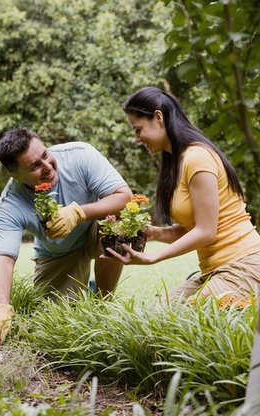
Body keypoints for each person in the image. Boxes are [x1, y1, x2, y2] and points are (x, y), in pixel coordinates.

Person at [104, 86, 260, 303]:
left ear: (158, 117)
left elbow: (206, 231)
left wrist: (154, 257)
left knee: (184, 320)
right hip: (215, 271)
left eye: (138, 129)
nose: (136, 139)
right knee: (153, 317)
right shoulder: (176, 163)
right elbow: (190, 228)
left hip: (244, 264)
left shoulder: (198, 158)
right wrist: (155, 233)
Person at [0, 126, 132, 344]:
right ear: (15, 175)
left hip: (94, 228)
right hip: (58, 253)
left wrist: (78, 213)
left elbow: (124, 197)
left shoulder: (79, 155)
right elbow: (2, 260)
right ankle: (82, 292)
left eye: (45, 154)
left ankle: (102, 306)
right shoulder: (9, 205)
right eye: (35, 166)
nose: (47, 166)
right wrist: (0, 308)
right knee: (57, 330)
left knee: (118, 224)